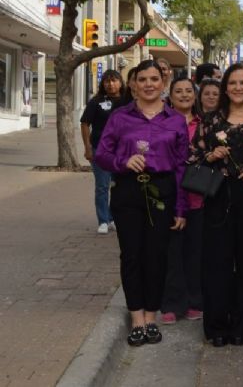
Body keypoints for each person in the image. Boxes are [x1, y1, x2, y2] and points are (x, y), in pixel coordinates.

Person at [94, 60, 188, 347]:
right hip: (128, 191)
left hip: (162, 191)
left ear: (163, 83)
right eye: (142, 79)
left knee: (156, 256)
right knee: (132, 255)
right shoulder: (120, 118)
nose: (149, 84)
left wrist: (181, 208)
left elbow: (183, 166)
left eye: (154, 79)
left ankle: (151, 316)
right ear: (133, 84)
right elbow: (101, 155)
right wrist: (122, 161)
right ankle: (136, 317)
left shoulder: (175, 120)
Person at [190, 63, 243, 347]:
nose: (237, 88)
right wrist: (210, 157)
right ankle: (215, 326)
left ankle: (239, 326)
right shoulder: (211, 121)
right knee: (216, 264)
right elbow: (191, 157)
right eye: (232, 83)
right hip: (217, 197)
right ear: (225, 88)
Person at [160, 77, 204, 324]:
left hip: (198, 197)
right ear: (171, 95)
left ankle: (194, 302)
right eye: (179, 91)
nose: (185, 95)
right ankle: (171, 303)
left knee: (195, 253)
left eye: (189, 91)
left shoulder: (206, 123)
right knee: (171, 253)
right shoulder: (163, 121)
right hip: (170, 196)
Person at [81, 69, 124, 235]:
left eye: (114, 80)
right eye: (107, 81)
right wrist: (87, 148)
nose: (111, 84)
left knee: (118, 186)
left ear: (120, 82)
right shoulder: (96, 102)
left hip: (121, 152)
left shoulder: (128, 101)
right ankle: (103, 220)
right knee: (102, 186)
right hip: (100, 149)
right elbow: (85, 123)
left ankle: (113, 218)